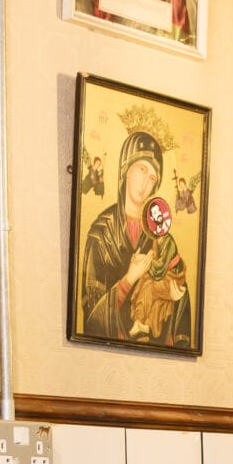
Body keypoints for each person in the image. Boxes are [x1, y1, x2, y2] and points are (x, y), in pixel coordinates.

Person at [79, 128, 190, 347]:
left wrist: (175, 297)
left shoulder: (160, 236)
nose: (145, 183)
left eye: (152, 178)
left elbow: (181, 297)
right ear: (125, 169)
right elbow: (91, 316)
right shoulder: (101, 232)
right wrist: (129, 279)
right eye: (141, 169)